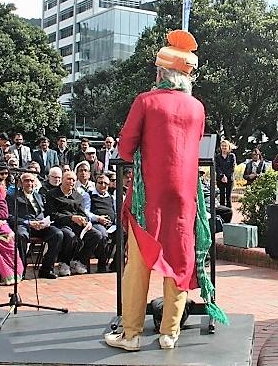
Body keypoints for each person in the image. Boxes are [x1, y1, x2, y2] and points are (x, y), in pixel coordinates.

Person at [105, 29, 223, 352]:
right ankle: (169, 333)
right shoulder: (197, 108)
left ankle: (131, 334)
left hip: (149, 198)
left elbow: (125, 148)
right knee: (179, 263)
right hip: (185, 199)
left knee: (139, 264)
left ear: (161, 72)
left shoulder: (145, 101)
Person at [45, 169, 102, 276]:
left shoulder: (77, 196)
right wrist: (71, 217)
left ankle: (79, 261)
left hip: (77, 224)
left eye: (73, 180)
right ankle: (64, 262)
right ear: (62, 180)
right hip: (60, 224)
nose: (71, 182)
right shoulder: (51, 194)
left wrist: (86, 221)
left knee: (96, 234)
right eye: (68, 179)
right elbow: (51, 214)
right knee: (70, 235)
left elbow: (82, 212)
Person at [8, 171, 63, 279]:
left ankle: (46, 269)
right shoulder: (12, 197)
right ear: (20, 183)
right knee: (21, 235)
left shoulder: (39, 196)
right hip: (24, 225)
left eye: (32, 181)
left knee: (58, 234)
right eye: (26, 181)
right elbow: (10, 216)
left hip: (40, 226)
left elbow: (45, 212)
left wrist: (45, 222)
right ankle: (21, 269)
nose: (29, 183)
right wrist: (28, 223)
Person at [214, 140, 236, 208]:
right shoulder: (217, 156)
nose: (224, 147)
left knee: (228, 197)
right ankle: (222, 214)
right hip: (220, 179)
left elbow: (232, 168)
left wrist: (226, 176)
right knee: (222, 196)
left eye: (225, 146)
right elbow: (217, 167)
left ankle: (229, 213)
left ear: (228, 147)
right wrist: (222, 176)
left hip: (229, 179)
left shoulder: (232, 156)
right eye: (222, 146)